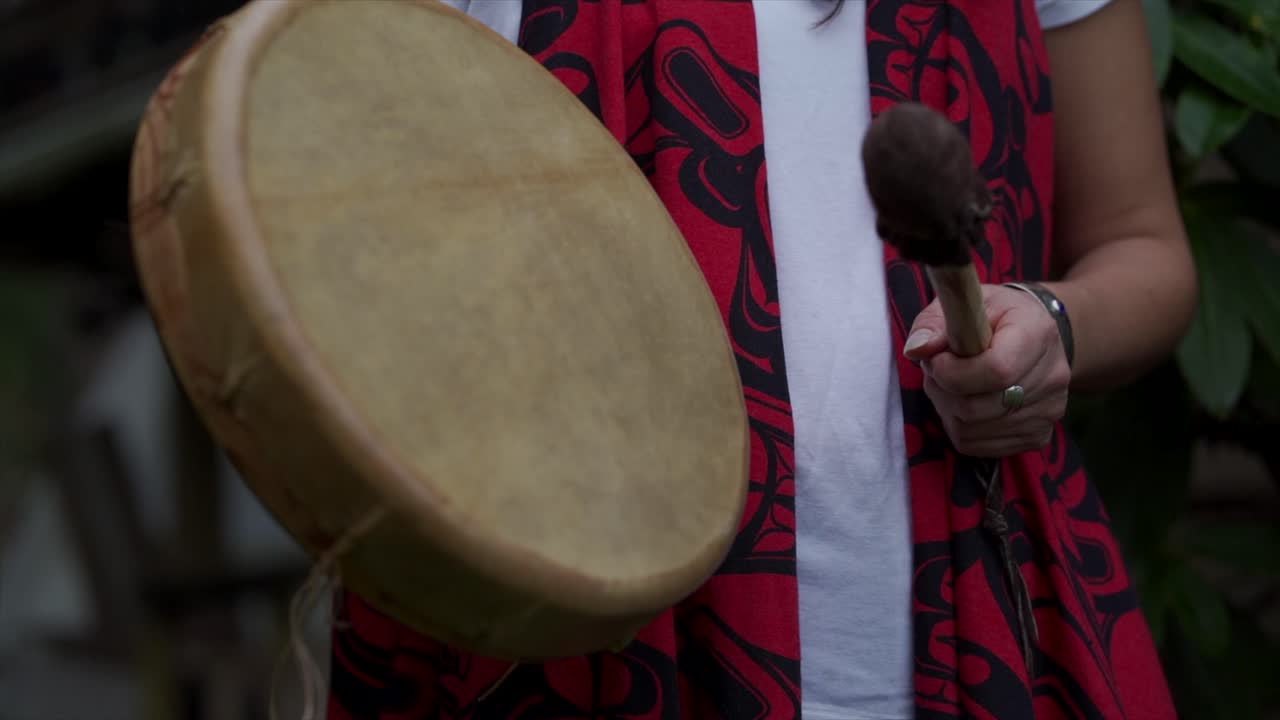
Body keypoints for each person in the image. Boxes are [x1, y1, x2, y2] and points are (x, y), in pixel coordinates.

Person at [326, 0, 1197, 718]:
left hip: (982, 621)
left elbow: (1140, 246)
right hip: (581, 635)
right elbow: (337, 266)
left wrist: (1054, 325)